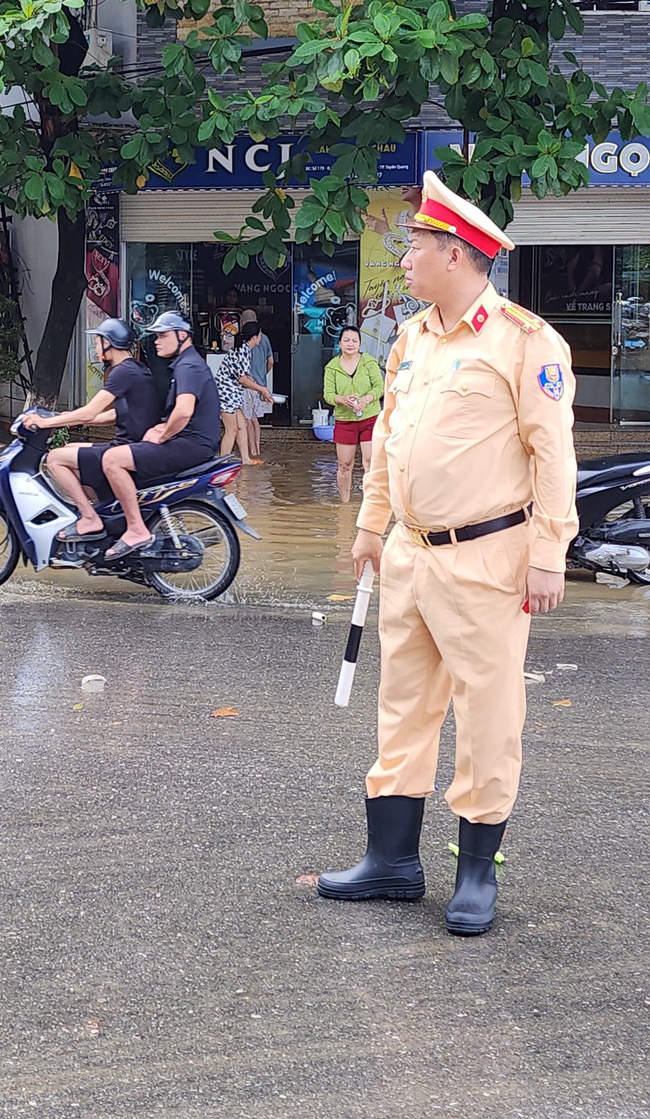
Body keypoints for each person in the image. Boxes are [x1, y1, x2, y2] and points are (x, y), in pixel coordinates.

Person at [317, 170, 578, 937]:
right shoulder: (412, 337)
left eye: (417, 245)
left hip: (487, 557)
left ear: (457, 254)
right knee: (402, 706)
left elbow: (552, 453)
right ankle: (392, 861)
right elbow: (390, 444)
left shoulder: (527, 341)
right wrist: (370, 526)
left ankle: (475, 874)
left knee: (488, 713)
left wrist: (549, 552)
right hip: (409, 555)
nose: (405, 258)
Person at [19, 319, 159, 540]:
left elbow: (89, 411)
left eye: (98, 341)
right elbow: (117, 414)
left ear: (108, 343)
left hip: (126, 449)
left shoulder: (122, 373)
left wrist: (46, 422)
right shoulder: (136, 369)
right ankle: (104, 513)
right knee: (71, 448)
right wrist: (66, 418)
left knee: (54, 458)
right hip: (130, 445)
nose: (95, 346)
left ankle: (89, 518)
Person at [97, 311, 221, 559]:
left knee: (112, 459)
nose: (157, 341)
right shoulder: (187, 364)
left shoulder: (188, 366)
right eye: (156, 336)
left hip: (190, 445)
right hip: (193, 443)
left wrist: (163, 434)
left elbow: (184, 411)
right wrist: (163, 425)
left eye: (163, 335)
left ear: (182, 335)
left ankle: (135, 530)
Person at [321, 326, 384, 503]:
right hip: (344, 420)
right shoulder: (332, 368)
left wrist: (366, 400)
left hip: (370, 418)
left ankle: (371, 503)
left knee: (370, 462)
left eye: (354, 341)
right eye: (346, 340)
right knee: (344, 465)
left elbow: (380, 388)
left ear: (360, 344)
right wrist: (342, 399)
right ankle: (345, 504)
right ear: (339, 343)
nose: (350, 344)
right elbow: (328, 395)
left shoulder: (369, 363)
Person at [239, 312, 276, 464]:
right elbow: (271, 361)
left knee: (248, 418)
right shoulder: (265, 338)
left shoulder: (244, 341)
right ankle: (257, 449)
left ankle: (251, 451)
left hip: (249, 384)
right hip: (260, 383)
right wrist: (262, 375)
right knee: (255, 419)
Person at [209, 332, 251, 461]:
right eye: (260, 335)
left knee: (242, 424)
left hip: (231, 395)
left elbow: (241, 375)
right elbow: (242, 379)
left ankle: (246, 459)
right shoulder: (243, 350)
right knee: (231, 430)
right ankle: (222, 462)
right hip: (227, 395)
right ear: (254, 337)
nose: (261, 338)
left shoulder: (241, 349)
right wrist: (262, 390)